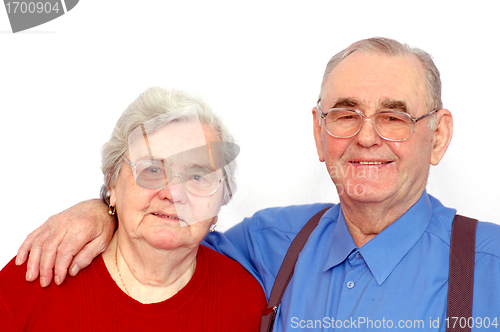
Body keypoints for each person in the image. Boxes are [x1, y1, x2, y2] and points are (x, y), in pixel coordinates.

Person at [14, 38, 500, 331]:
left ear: (438, 137)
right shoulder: (270, 245)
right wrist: (105, 206)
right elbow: (167, 235)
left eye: (394, 117)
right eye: (345, 114)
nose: (366, 136)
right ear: (318, 131)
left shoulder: (492, 271)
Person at [0, 87, 266, 331]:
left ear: (221, 198)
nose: (173, 194)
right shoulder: (35, 277)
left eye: (197, 176)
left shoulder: (246, 302)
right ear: (112, 184)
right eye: (152, 169)